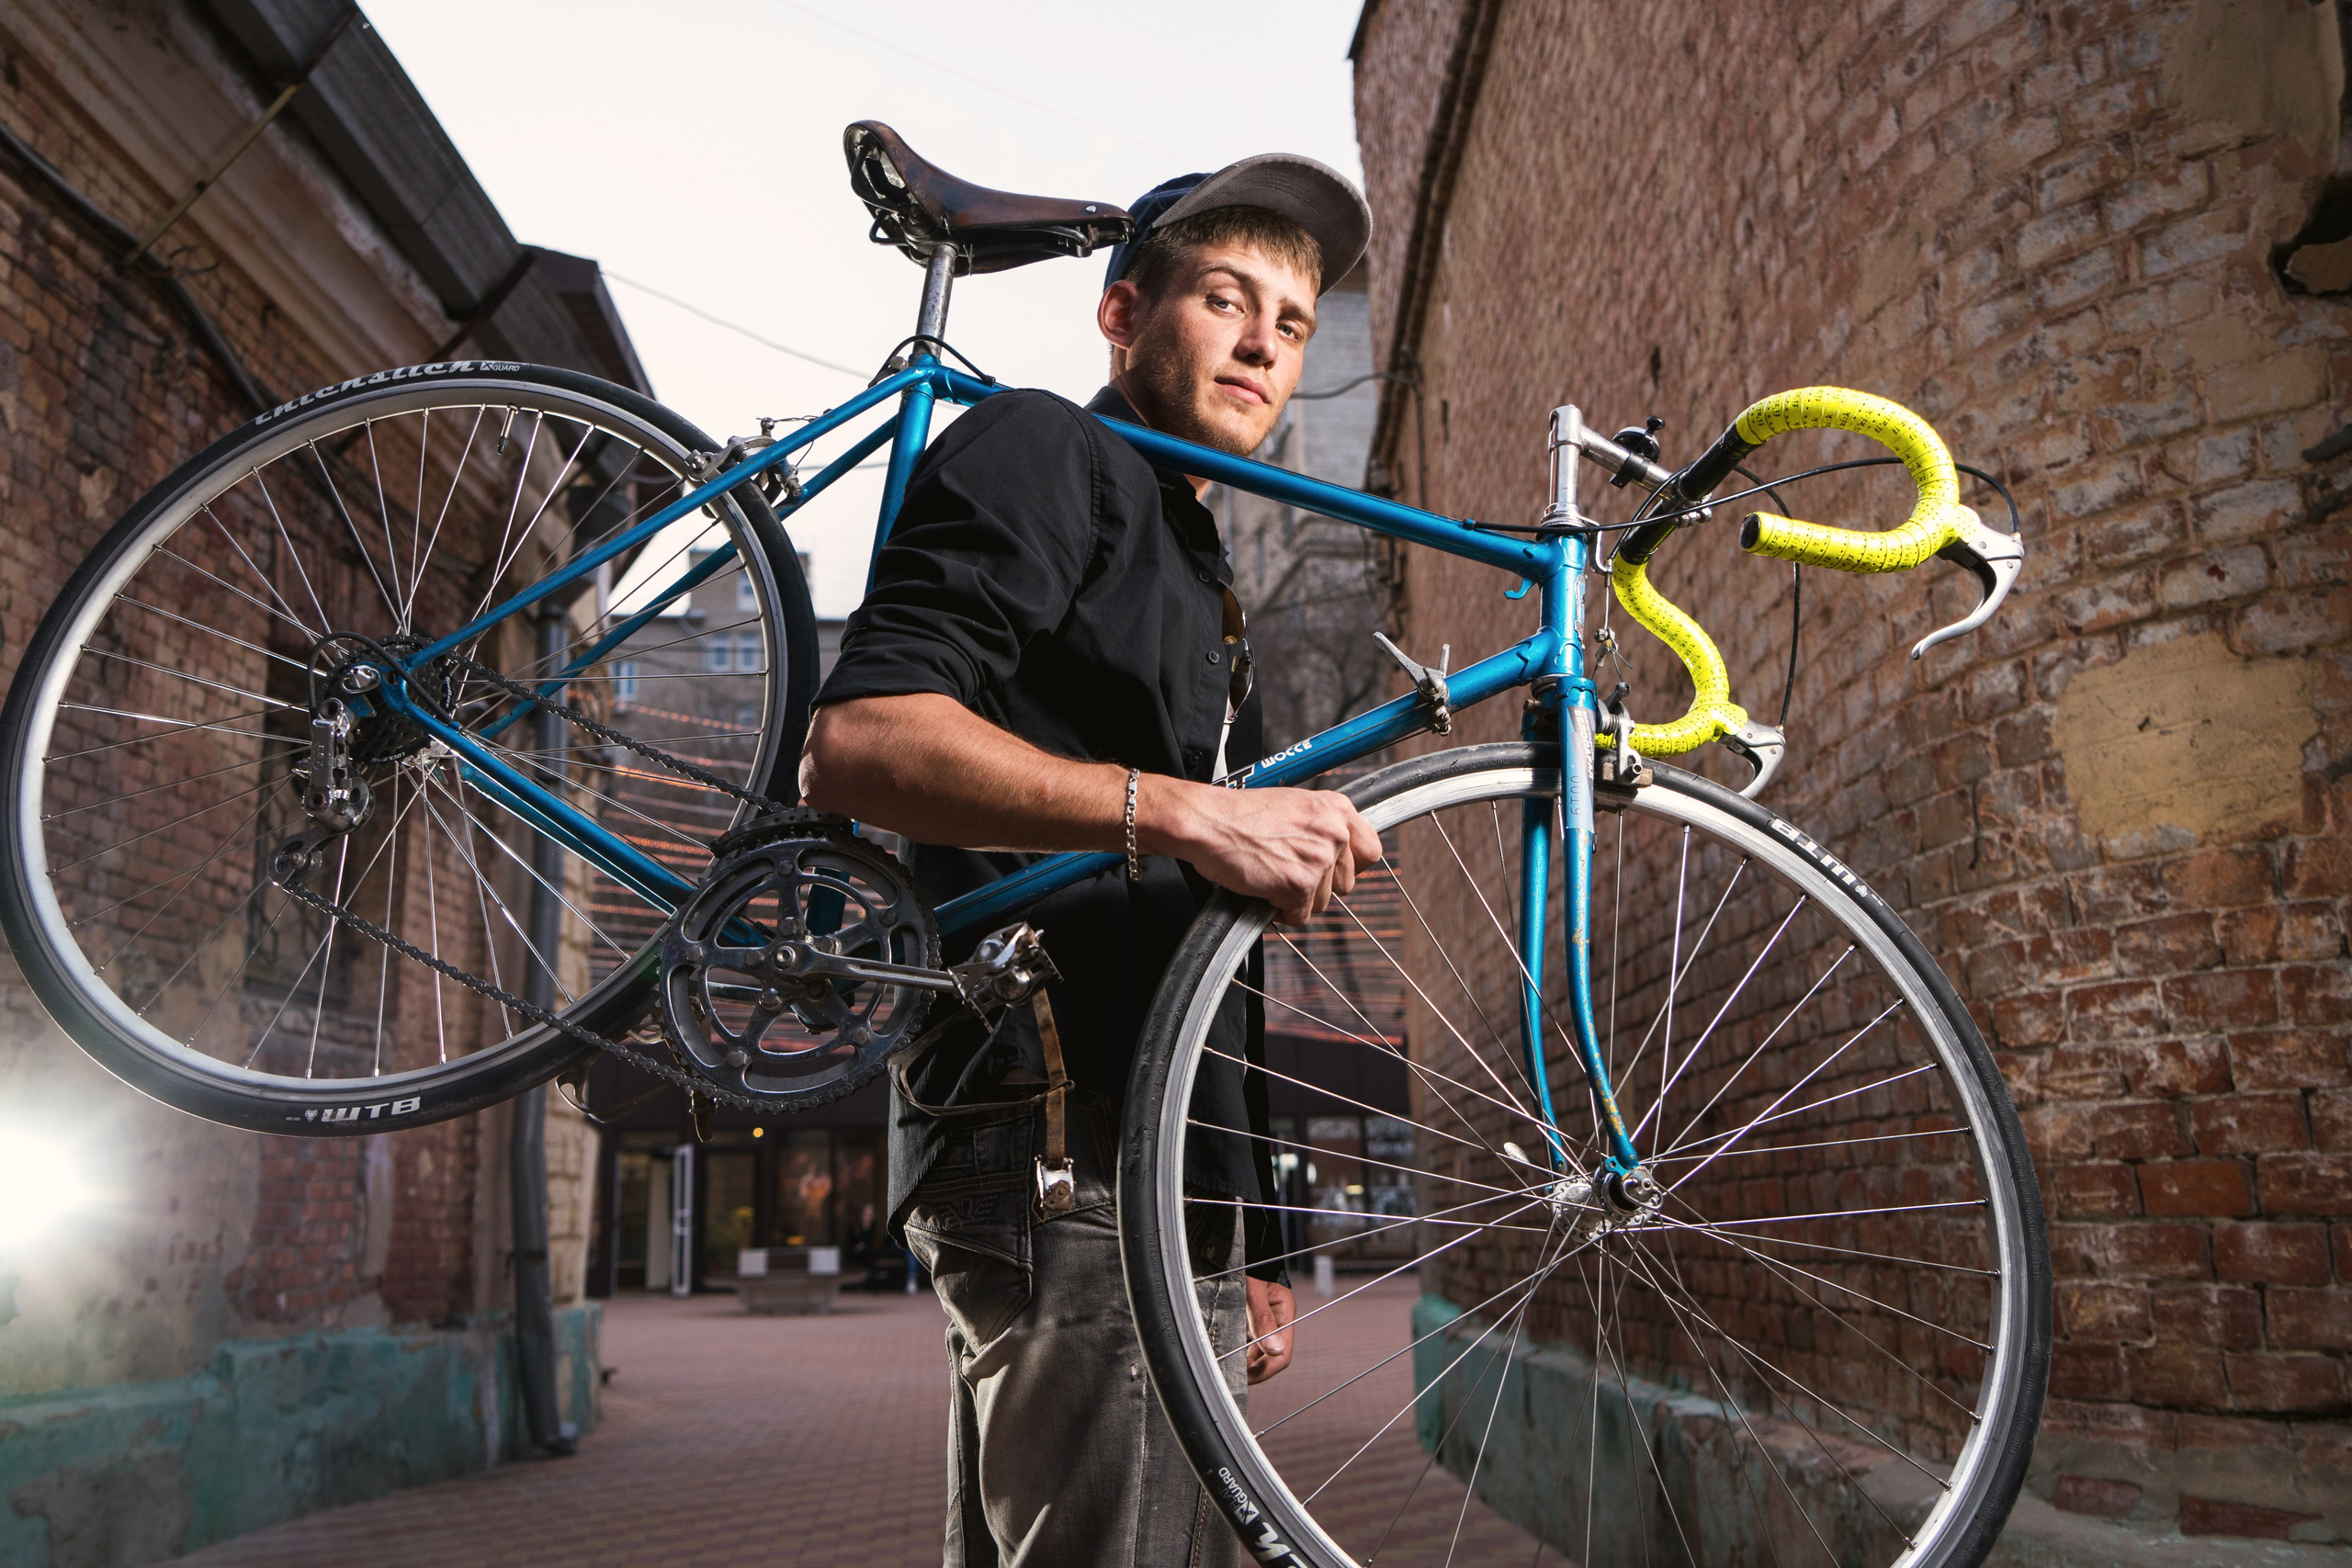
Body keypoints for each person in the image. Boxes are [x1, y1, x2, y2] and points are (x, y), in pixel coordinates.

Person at [799, 153, 1379, 1566]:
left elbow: (1205, 945)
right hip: (1060, 1134)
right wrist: (1183, 809)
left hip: (1155, 1171)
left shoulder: (1197, 572)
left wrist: (1252, 1236)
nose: (1262, 344)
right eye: (1226, 299)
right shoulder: (1048, 449)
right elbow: (865, 738)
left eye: (1293, 324)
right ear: (1122, 315)